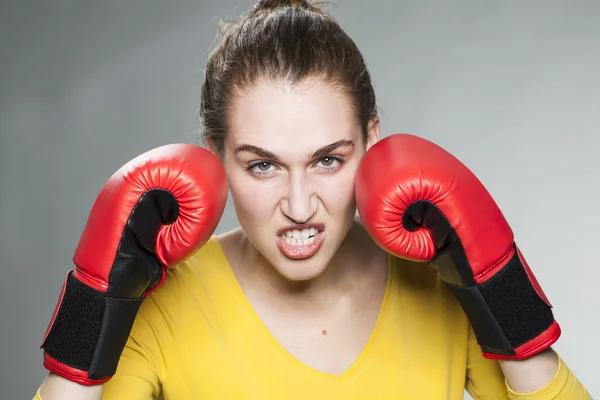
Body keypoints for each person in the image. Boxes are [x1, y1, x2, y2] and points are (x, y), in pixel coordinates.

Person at [33, 0, 592, 399]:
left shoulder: (440, 284)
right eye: (263, 165)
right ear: (215, 155)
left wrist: (503, 290)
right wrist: (93, 307)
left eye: (328, 160)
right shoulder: (164, 301)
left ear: (373, 140)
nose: (299, 206)